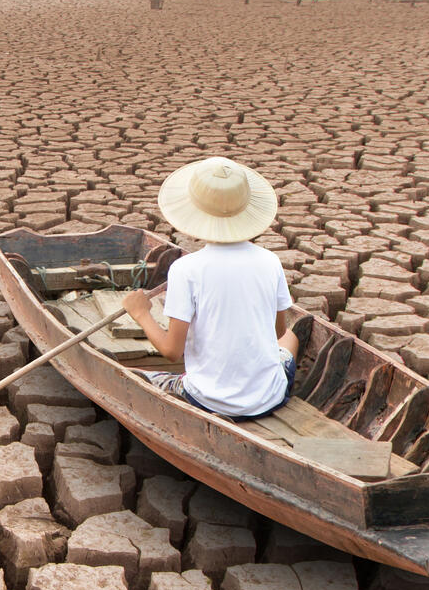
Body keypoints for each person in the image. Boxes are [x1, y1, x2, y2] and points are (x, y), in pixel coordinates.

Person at [121, 157, 303, 419]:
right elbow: (278, 332)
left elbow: (172, 352)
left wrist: (140, 313)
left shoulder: (187, 269)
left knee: (142, 377)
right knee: (291, 338)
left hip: (208, 400)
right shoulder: (270, 261)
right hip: (269, 397)